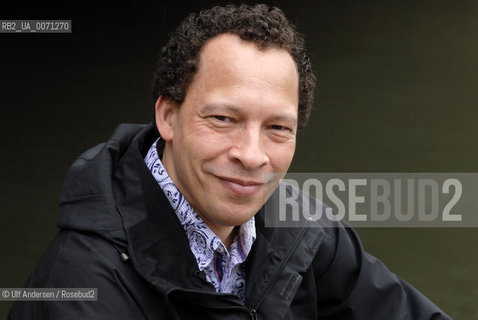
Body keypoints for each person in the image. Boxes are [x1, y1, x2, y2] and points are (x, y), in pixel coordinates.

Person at [9, 4, 450, 319]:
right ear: (168, 116)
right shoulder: (80, 288)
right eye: (223, 119)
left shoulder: (304, 231)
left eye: (278, 128)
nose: (253, 156)